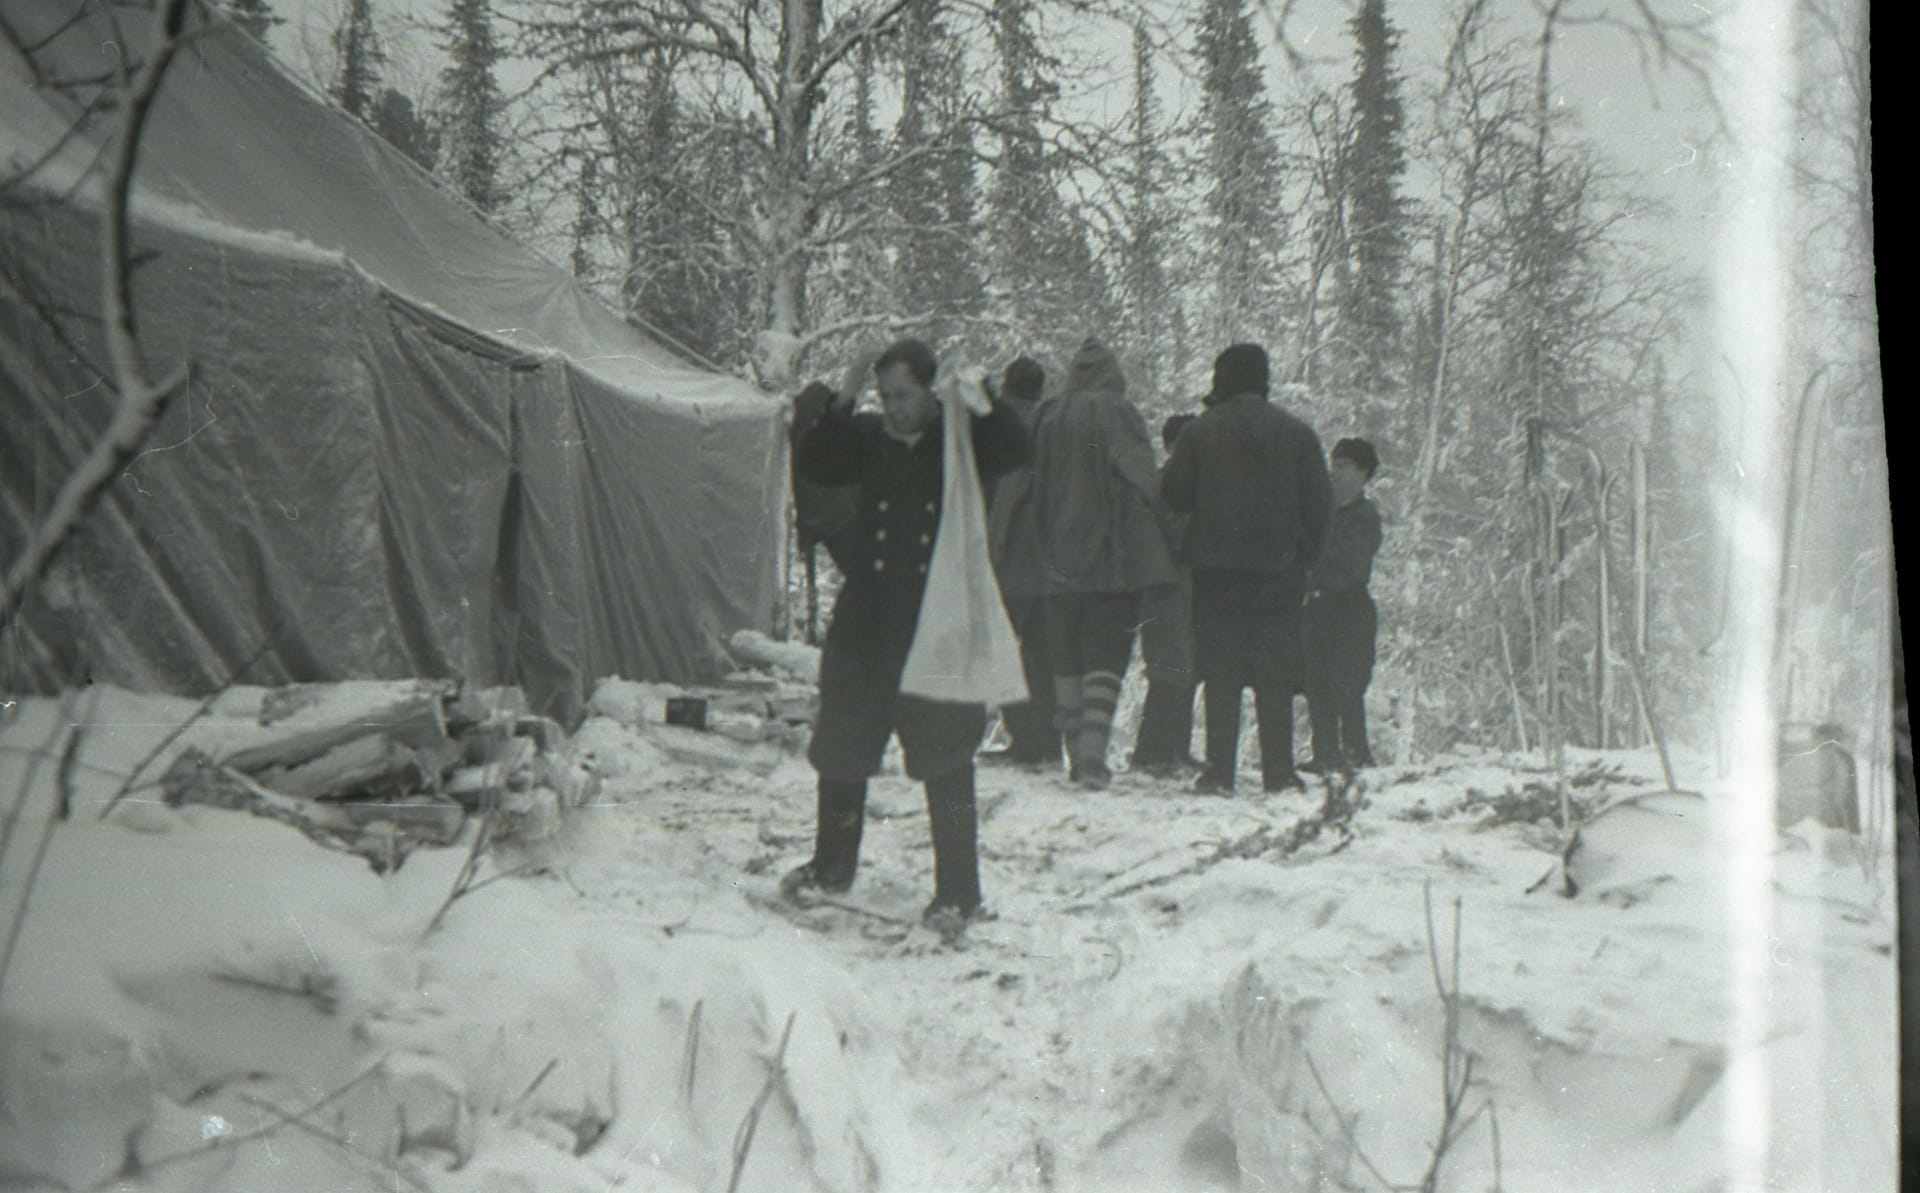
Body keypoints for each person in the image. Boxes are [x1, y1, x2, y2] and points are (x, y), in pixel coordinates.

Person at [781, 338, 1032, 929]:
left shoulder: (960, 442)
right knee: (843, 746)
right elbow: (818, 462)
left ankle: (958, 893)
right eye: (885, 395)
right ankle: (833, 865)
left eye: (904, 395)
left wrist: (985, 399)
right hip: (868, 622)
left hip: (937, 622)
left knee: (946, 754)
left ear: (928, 391)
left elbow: (1017, 450)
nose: (893, 407)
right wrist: (843, 395)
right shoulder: (868, 440)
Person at [1162, 344, 1332, 795]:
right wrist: (1305, 557)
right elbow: (1320, 506)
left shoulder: (1200, 433)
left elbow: (1174, 494)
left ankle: (1220, 772)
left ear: (1222, 380)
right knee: (1275, 672)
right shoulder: (1297, 434)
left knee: (1221, 672)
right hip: (1280, 570)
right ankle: (1279, 773)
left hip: (1216, 570)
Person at [1029, 338, 1178, 789]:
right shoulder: (1116, 411)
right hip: (1108, 554)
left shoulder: (1046, 414)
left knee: (1066, 656)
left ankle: (1075, 751)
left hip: (1053, 555)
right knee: (1105, 655)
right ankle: (1092, 755)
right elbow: (1138, 473)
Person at [981, 356, 1061, 768]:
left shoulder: (999, 425)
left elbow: (1003, 496)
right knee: (1043, 653)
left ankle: (1024, 742)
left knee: (1005, 651)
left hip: (1008, 555)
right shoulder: (1051, 423)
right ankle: (1047, 743)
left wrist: (989, 556)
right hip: (1048, 559)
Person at [1301, 438, 1383, 773]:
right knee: (1315, 682)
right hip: (1316, 607)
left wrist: (1310, 567)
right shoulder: (1320, 512)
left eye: (1345, 466)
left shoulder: (1365, 517)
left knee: (1347, 683)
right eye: (1334, 464)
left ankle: (1355, 755)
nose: (1335, 472)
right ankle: (1325, 755)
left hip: (1349, 608)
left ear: (1363, 474)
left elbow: (1348, 567)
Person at [1130, 412, 1204, 776]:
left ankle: (1173, 749)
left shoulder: (1182, 483)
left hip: (1179, 587)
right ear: (1173, 445)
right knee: (1169, 668)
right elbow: (1176, 535)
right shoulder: (1170, 485)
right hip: (1167, 587)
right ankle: (1153, 752)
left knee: (1183, 667)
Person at [789, 380, 861, 642]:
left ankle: (816, 629)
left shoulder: (799, 432)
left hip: (815, 518)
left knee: (849, 578)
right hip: (840, 517)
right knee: (859, 576)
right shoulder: (825, 433)